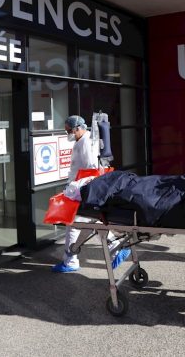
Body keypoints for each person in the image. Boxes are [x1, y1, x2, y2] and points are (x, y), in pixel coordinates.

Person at [52, 115, 129, 273]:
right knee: (94, 223)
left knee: (73, 225)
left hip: (81, 191)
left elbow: (90, 170)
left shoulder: (85, 143)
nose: (68, 134)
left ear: (78, 128)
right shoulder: (83, 140)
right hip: (83, 190)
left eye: (69, 130)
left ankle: (70, 261)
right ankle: (117, 247)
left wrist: (77, 191)